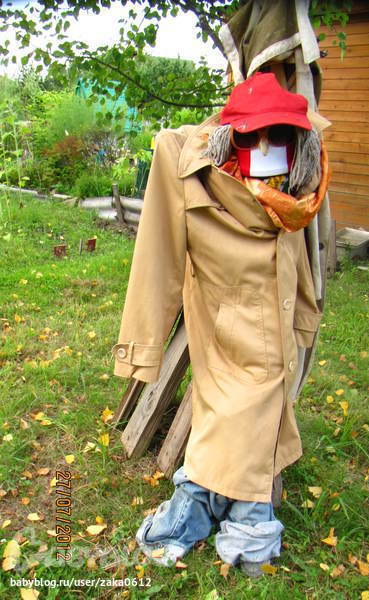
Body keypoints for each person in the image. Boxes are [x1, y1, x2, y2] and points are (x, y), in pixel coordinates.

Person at [113, 71, 330, 577]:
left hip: (275, 330)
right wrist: (142, 348)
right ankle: (218, 512)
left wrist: (303, 319)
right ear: (232, 136)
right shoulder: (190, 172)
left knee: (259, 411)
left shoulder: (301, 185)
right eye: (253, 135)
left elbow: (297, 259)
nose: (267, 147)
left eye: (279, 134)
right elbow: (156, 262)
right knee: (227, 414)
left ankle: (237, 516)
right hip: (222, 326)